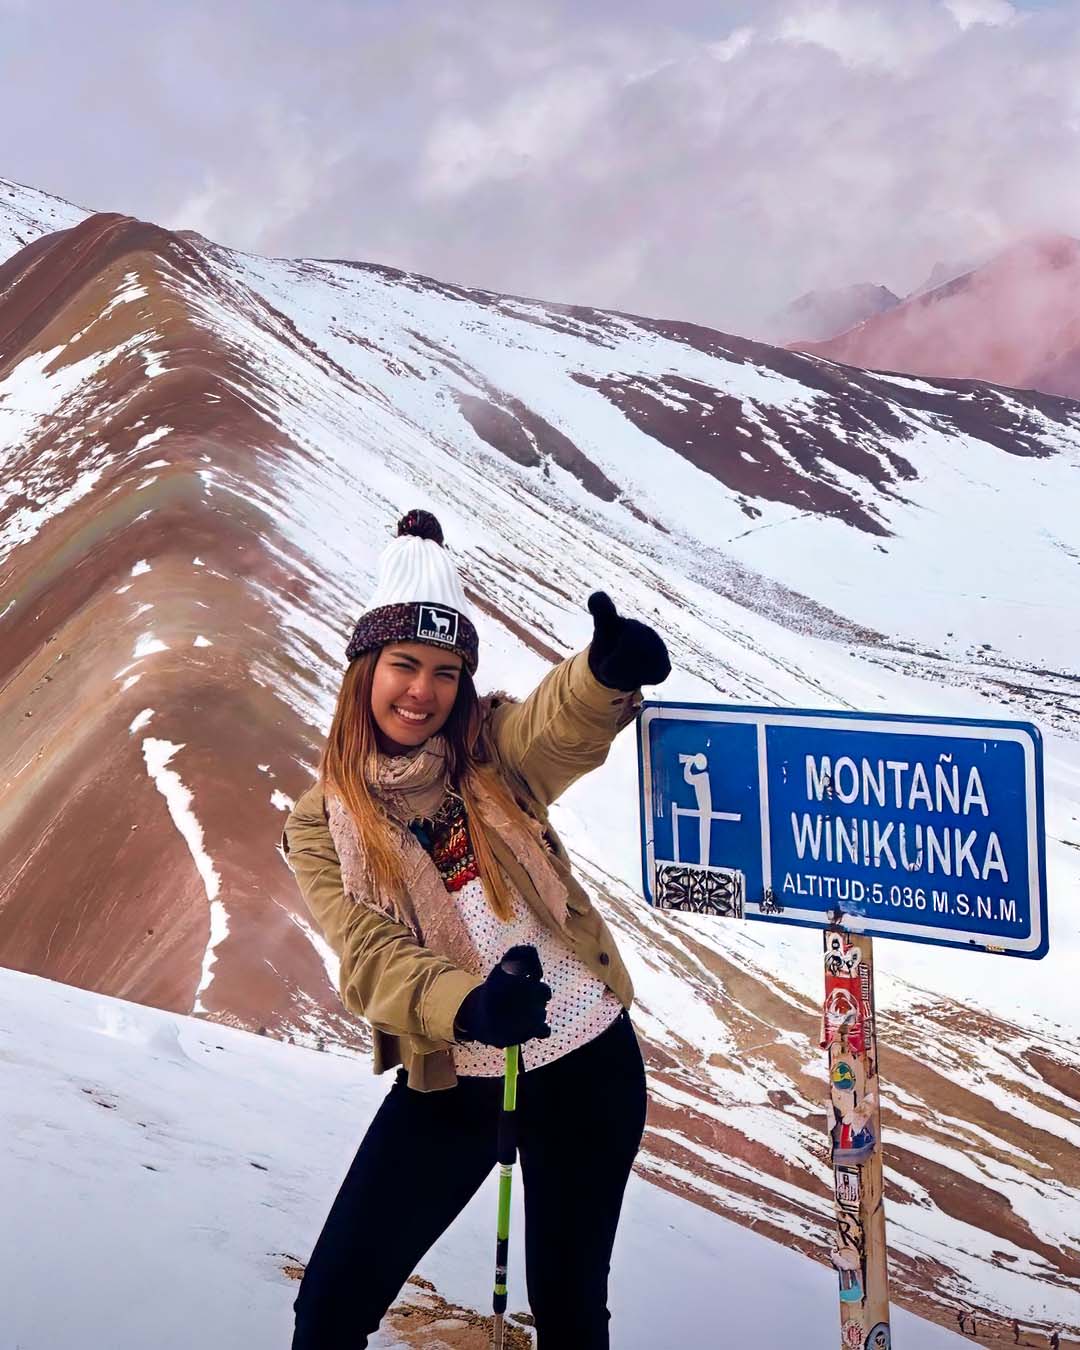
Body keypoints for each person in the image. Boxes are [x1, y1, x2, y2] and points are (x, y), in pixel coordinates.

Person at [281, 510, 671, 1349]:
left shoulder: (489, 754)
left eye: (447, 672)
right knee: (330, 1310)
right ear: (365, 671)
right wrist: (472, 1007)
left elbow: (552, 727)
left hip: (589, 1066)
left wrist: (601, 677)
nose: (424, 691)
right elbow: (369, 954)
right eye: (405, 665)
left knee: (570, 1313)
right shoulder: (321, 826)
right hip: (453, 1078)